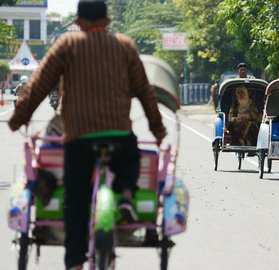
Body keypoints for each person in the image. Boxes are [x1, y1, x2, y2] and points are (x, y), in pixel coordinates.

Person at [7, 1, 167, 269]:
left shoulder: (66, 46)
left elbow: (38, 86)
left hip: (78, 137)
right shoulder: (125, 46)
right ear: (107, 22)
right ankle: (126, 195)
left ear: (78, 22)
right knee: (130, 155)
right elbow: (145, 92)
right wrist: (158, 129)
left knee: (76, 201)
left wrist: (17, 118)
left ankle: (75, 264)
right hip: (118, 133)